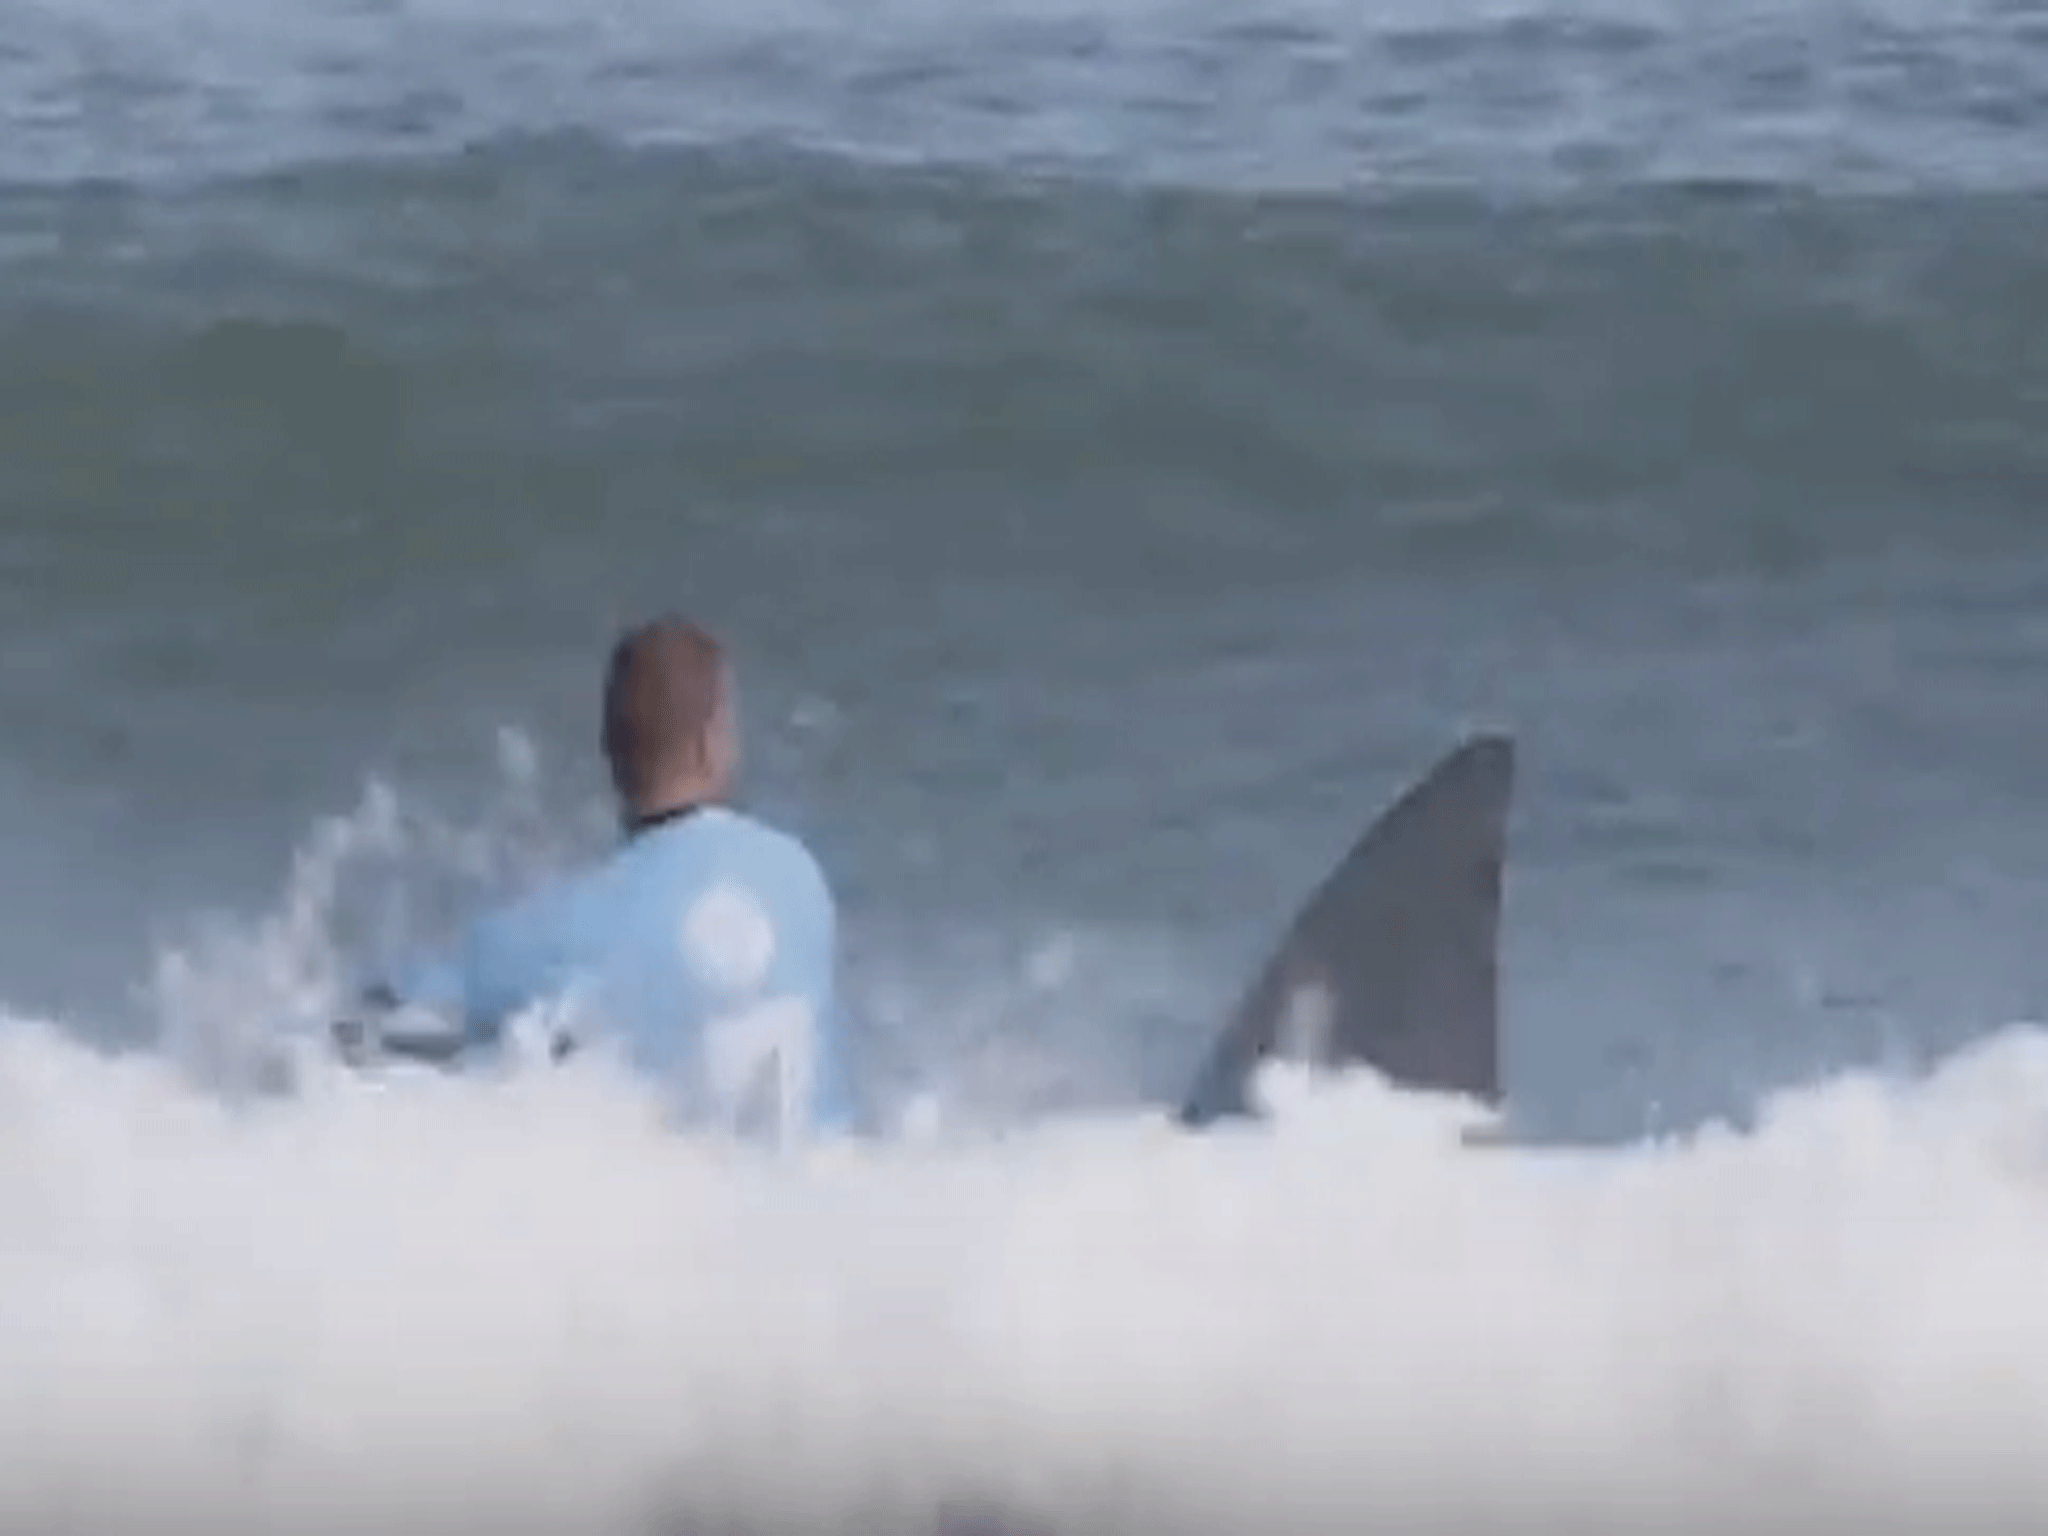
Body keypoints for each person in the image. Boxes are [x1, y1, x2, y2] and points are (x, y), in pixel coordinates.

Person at [334, 616, 855, 1144]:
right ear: (712, 743)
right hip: (809, 1211)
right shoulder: (798, 880)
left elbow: (369, 1030)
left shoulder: (548, 935)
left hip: (675, 1216)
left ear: (611, 752)